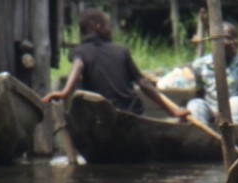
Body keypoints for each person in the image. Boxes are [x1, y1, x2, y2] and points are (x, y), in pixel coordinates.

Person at [44, 9, 183, 117]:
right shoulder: (121, 50)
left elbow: (78, 65)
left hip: (102, 115)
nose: (110, 30)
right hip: (132, 112)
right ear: (98, 27)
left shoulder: (80, 51)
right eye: (108, 26)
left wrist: (64, 92)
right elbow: (144, 84)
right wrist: (172, 111)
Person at [186, 22, 238, 127]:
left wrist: (224, 114)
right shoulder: (200, 65)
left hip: (236, 112)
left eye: (236, 38)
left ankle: (235, 138)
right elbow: (199, 94)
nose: (234, 42)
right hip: (211, 110)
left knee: (236, 102)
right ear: (215, 42)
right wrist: (213, 114)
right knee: (195, 104)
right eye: (228, 38)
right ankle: (202, 137)